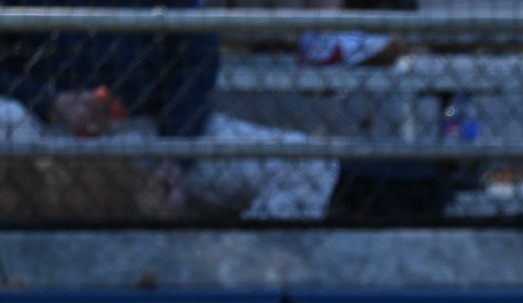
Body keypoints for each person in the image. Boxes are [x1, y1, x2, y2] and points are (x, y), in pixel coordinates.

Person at [0, 0, 340, 221]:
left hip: (148, 135)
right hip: (41, 134)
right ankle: (19, 277)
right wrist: (50, 102)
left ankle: (231, 284)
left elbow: (196, 58)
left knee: (310, 165)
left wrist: (176, 155)